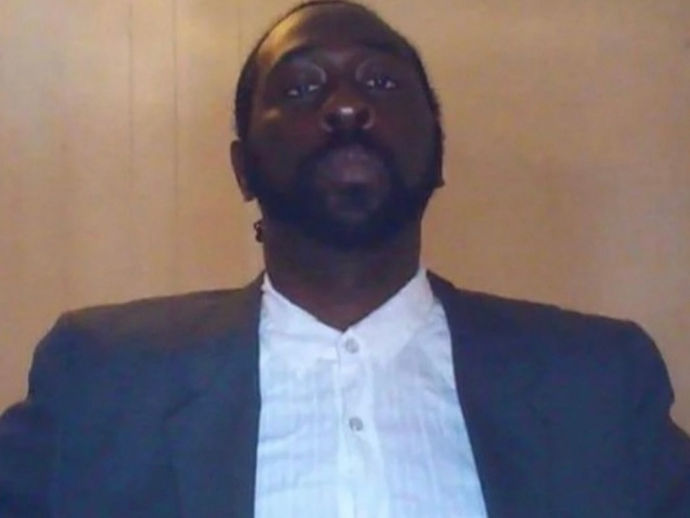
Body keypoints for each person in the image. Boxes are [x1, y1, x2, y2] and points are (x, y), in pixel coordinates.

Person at [1, 1, 688, 516]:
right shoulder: (101, 378)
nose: (349, 108)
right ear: (243, 169)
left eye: (381, 83)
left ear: (437, 156)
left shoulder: (597, 380)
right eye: (301, 88)